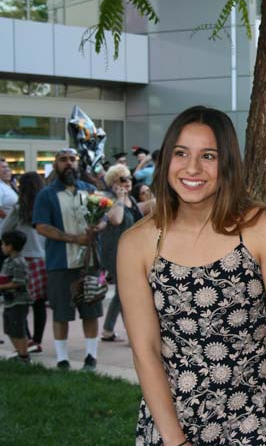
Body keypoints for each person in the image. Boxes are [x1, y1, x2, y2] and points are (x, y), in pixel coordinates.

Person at [118, 106, 266, 446]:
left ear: (227, 165)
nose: (192, 168)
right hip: (171, 418)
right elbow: (145, 349)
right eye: (181, 153)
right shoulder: (137, 243)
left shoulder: (260, 230)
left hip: (256, 416)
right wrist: (174, 440)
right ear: (166, 160)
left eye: (208, 155)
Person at [32, 148, 99, 371]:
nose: (68, 163)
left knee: (91, 310)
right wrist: (74, 239)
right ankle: (62, 359)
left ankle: (91, 356)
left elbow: (105, 218)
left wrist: (98, 227)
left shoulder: (89, 190)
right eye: (63, 160)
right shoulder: (47, 194)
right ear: (56, 164)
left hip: (89, 263)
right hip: (60, 263)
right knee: (61, 313)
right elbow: (41, 226)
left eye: (72, 159)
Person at [98, 164, 153, 342]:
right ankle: (132, 334)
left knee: (121, 292)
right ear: (113, 182)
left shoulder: (132, 200)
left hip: (129, 252)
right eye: (123, 179)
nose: (128, 182)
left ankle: (107, 329)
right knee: (126, 292)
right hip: (113, 251)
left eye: (129, 178)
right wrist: (120, 197)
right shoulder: (109, 200)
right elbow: (116, 219)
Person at [1, 172, 48, 354]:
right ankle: (37, 340)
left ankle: (27, 339)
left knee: (21, 303)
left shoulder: (19, 208)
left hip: (23, 258)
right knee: (39, 304)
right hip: (43, 259)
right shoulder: (45, 207)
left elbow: (3, 229)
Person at [0, 230, 31, 362]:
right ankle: (19, 353)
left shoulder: (19, 262)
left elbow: (18, 282)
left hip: (19, 302)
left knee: (18, 329)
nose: (1, 246)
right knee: (9, 329)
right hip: (9, 302)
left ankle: (24, 356)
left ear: (10, 246)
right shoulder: (8, 261)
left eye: (3, 244)